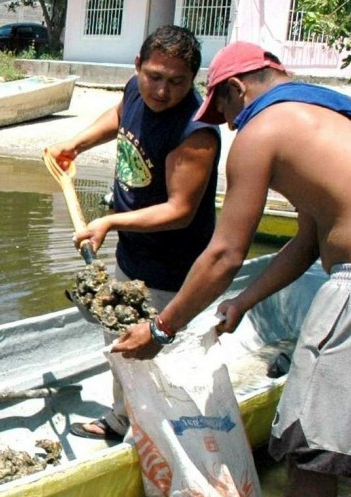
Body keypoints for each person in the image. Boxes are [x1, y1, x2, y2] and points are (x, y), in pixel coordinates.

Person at [112, 40, 351, 497]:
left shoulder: (263, 129)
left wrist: (162, 326)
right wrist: (243, 302)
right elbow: (310, 240)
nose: (229, 125)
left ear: (236, 90)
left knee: (313, 458)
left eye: (225, 112)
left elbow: (227, 250)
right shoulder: (335, 117)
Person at [48, 25, 221, 441]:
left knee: (149, 349)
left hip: (173, 267)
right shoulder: (135, 91)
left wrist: (109, 221)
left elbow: (180, 211)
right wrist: (77, 144)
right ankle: (124, 418)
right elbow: (122, 115)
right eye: (154, 76)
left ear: (193, 79)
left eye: (176, 82)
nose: (162, 91)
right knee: (121, 338)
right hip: (133, 252)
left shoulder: (195, 132)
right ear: (138, 66)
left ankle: (153, 433)